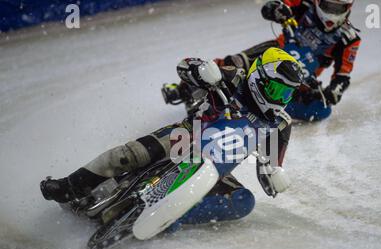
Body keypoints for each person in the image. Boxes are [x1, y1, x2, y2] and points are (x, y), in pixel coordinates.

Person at [41, 48, 305, 230]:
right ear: (259, 76)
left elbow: (268, 173)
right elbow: (185, 67)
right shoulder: (233, 78)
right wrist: (202, 70)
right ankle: (69, 186)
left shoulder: (279, 123)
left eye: (286, 93)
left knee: (243, 202)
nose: (279, 98)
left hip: (217, 171)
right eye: (275, 88)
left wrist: (273, 176)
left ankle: (172, 218)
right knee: (131, 154)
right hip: (185, 138)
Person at [215, 0, 361, 122]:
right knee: (234, 64)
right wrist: (278, 9)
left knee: (322, 109)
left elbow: (343, 75)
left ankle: (268, 110)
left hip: (299, 78)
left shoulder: (349, 38)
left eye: (337, 8)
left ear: (348, 7)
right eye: (328, 6)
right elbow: (270, 8)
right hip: (274, 52)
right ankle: (204, 80)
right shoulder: (304, 4)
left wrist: (334, 91)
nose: (332, 13)